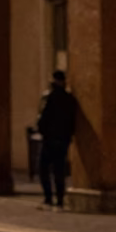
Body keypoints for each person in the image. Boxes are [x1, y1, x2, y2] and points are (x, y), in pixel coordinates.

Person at [36, 70, 78, 210]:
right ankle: (60, 201)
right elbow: (73, 120)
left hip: (50, 139)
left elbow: (43, 118)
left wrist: (43, 131)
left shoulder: (50, 97)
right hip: (63, 139)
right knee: (59, 170)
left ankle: (48, 199)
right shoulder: (69, 99)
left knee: (44, 168)